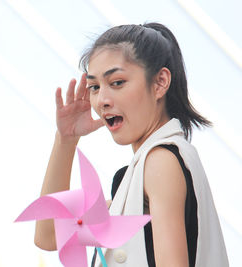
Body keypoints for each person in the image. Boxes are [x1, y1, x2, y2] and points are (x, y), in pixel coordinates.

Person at [34, 23, 228, 267]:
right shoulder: (134, 182)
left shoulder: (160, 161)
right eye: (94, 87)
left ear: (160, 83)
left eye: (117, 82)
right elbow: (49, 235)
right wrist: (66, 139)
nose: (102, 100)